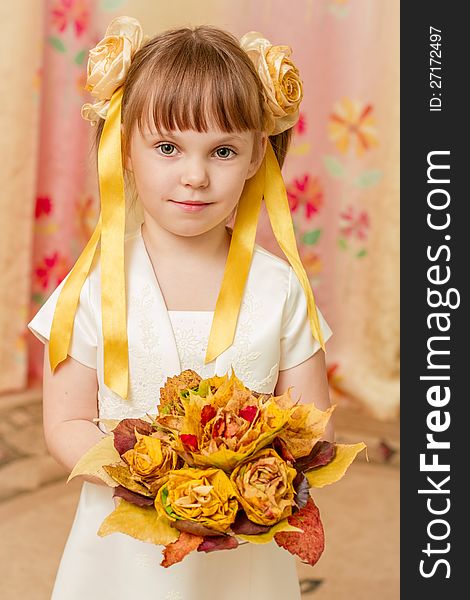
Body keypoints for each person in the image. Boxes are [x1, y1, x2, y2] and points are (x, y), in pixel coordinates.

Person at [28, 16, 334, 600]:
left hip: (240, 548)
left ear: (255, 158)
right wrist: (152, 486)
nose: (194, 176)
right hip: (119, 544)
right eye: (168, 147)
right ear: (126, 149)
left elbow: (312, 421)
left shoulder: (280, 289)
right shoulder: (93, 286)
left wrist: (245, 491)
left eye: (222, 150)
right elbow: (65, 423)